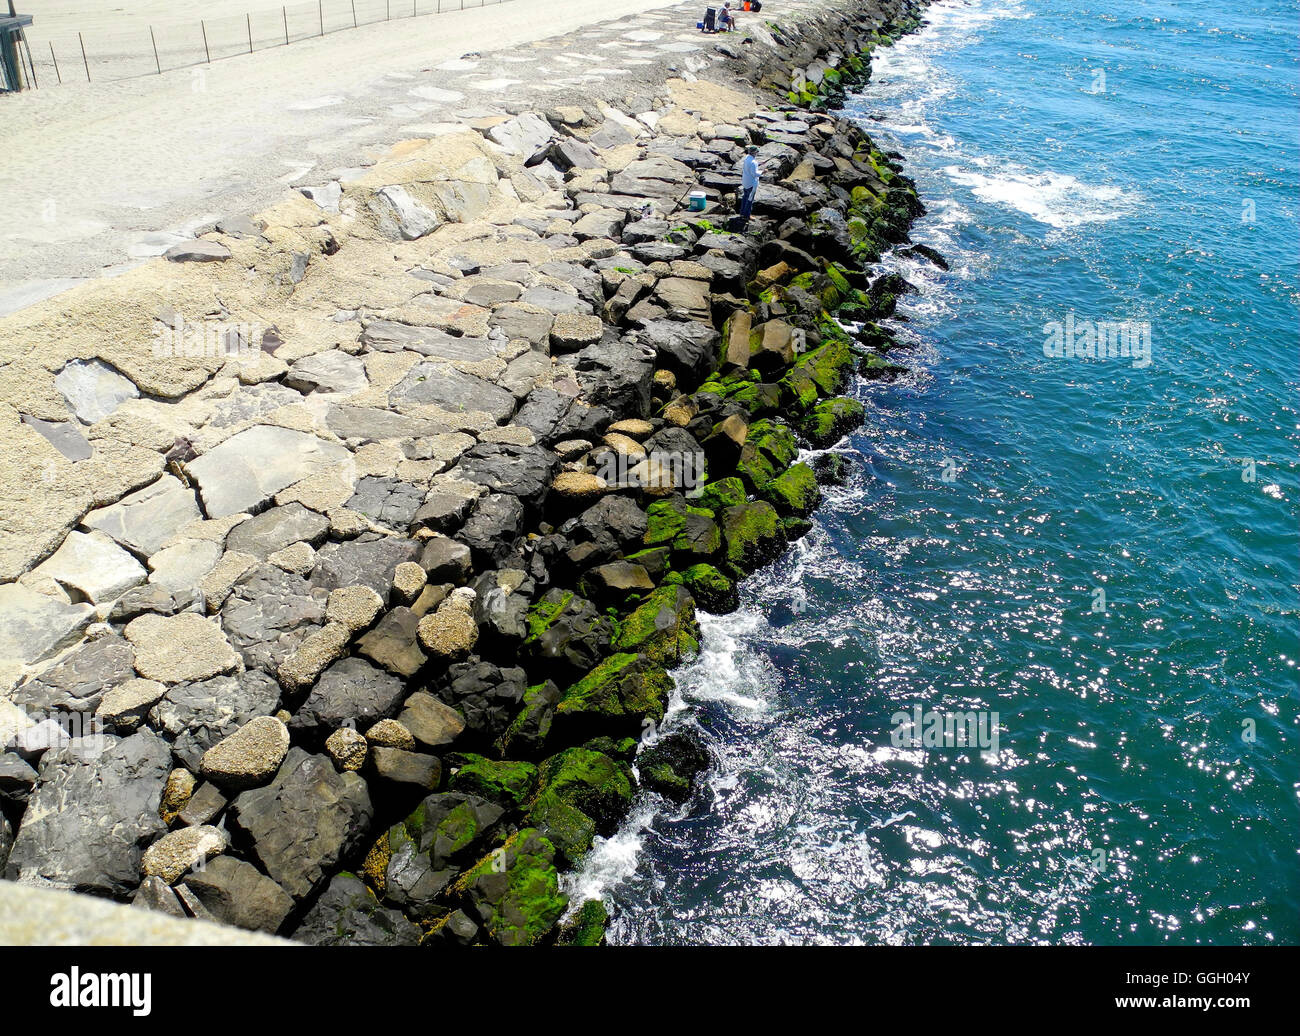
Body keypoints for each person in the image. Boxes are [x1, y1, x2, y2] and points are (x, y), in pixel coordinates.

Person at [738, 143, 760, 228]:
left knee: (745, 198)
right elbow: (754, 174)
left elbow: (749, 168)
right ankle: (746, 216)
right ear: (754, 152)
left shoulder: (747, 158)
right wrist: (763, 172)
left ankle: (742, 213)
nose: (757, 153)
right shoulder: (753, 162)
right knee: (750, 200)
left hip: (745, 182)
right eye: (757, 152)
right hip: (751, 184)